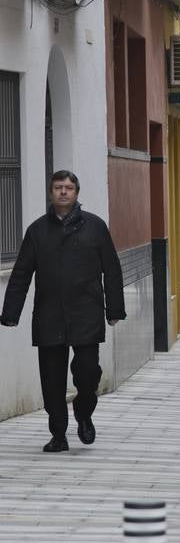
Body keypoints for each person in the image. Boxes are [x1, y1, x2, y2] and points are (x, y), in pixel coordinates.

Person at [0, 170, 126, 452]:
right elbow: (21, 273)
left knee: (88, 373)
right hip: (49, 314)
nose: (64, 192)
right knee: (52, 380)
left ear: (77, 193)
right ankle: (58, 434)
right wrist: (11, 312)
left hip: (87, 312)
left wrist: (114, 308)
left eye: (69, 187)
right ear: (51, 193)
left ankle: (83, 411)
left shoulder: (95, 227)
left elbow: (112, 269)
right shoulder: (37, 231)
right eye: (58, 187)